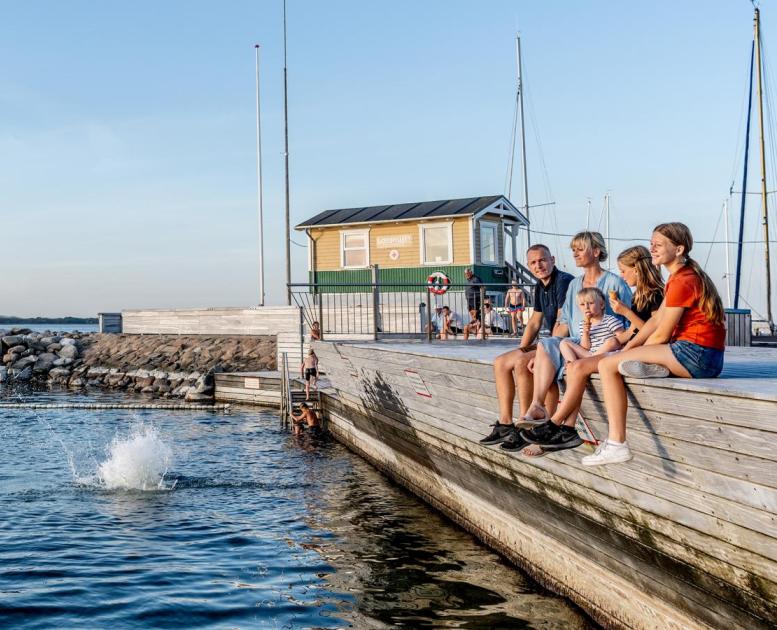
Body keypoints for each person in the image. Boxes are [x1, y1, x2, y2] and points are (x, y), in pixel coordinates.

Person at [581, 222, 725, 466]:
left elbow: (662, 334)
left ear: (678, 249)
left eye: (658, 245)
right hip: (703, 356)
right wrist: (628, 349)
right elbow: (655, 319)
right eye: (652, 244)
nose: (653, 249)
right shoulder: (680, 275)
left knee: (607, 366)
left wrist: (624, 355)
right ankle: (654, 368)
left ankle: (616, 443)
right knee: (619, 359)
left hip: (694, 355)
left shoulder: (682, 280)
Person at [481, 233, 631, 449]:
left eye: (580, 249)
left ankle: (540, 428)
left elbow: (621, 326)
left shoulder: (613, 283)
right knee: (545, 346)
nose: (575, 254)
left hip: (600, 343)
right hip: (575, 340)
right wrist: (541, 350)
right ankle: (536, 407)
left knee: (539, 359)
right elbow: (563, 322)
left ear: (596, 252)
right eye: (573, 250)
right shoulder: (575, 285)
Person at [520, 245, 665, 455]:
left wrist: (623, 320)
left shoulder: (653, 295)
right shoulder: (638, 296)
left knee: (578, 368)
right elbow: (634, 332)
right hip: (630, 349)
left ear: (638, 268)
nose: (622, 276)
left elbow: (649, 330)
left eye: (624, 270)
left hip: (645, 351)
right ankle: (561, 428)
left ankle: (556, 425)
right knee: (573, 366)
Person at [479, 244, 573, 445]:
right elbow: (534, 322)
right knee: (501, 362)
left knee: (522, 362)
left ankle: (524, 425)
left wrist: (538, 352)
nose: (539, 265)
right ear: (529, 266)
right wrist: (522, 348)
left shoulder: (563, 282)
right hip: (550, 341)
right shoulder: (540, 285)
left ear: (552, 260)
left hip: (564, 343)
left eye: (542, 260)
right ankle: (505, 424)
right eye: (533, 262)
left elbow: (562, 323)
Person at [559, 288, 624, 362]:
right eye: (582, 304)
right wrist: (585, 332)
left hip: (606, 355)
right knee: (564, 343)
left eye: (590, 303)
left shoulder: (610, 320)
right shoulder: (583, 324)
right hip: (589, 355)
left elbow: (621, 339)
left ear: (602, 305)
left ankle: (587, 361)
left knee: (612, 341)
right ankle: (573, 363)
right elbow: (586, 347)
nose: (586, 307)